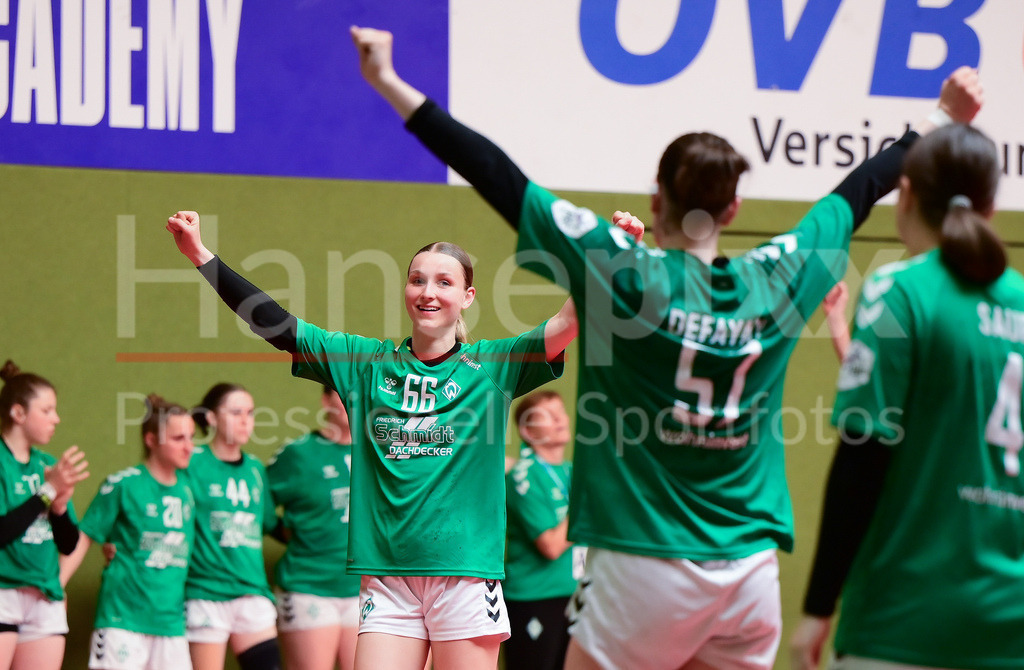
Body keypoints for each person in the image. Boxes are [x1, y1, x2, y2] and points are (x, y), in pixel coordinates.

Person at [350, 26, 984, 670]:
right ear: (734, 207)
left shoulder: (620, 268)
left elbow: (497, 175)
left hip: (641, 561)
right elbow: (863, 185)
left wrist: (391, 84)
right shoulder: (779, 274)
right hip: (749, 572)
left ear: (657, 201)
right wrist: (940, 118)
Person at [164, 207, 577, 670]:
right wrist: (200, 255)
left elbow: (566, 324)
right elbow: (276, 324)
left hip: (464, 578)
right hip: (388, 580)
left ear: (467, 296)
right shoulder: (366, 364)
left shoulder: (494, 367)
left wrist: (606, 262)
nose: (428, 292)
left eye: (444, 282)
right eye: (417, 280)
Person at [790, 122, 1024, 670]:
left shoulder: (901, 289)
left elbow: (861, 459)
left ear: (907, 195)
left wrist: (818, 607)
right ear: (990, 207)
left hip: (903, 621)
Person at [60, 394, 196, 670]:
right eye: (178, 438)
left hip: (170, 624)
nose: (189, 447)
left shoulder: (188, 489)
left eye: (191, 437)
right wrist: (56, 585)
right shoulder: (123, 485)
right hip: (122, 621)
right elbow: (85, 536)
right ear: (151, 440)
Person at [183, 383, 280, 670]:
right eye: (235, 412)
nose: (244, 420)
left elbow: (268, 523)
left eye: (249, 413)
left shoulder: (255, 468)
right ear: (211, 418)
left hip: (251, 591)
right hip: (206, 593)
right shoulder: (191, 463)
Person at [0, 360, 89, 670]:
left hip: (43, 597)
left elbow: (68, 544)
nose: (56, 419)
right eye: (47, 410)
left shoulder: (47, 465)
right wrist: (46, 493)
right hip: (4, 593)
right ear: (18, 413)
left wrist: (60, 507)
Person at [266, 386, 359, 670]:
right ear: (325, 400)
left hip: (363, 589)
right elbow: (257, 504)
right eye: (341, 396)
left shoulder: (379, 453)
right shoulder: (299, 454)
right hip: (309, 586)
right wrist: (282, 531)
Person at [503, 390, 582, 670]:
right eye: (548, 416)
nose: (560, 420)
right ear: (527, 430)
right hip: (536, 598)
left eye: (560, 412)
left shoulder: (573, 471)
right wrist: (587, 508)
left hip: (576, 596)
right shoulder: (523, 475)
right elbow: (550, 544)